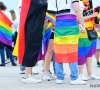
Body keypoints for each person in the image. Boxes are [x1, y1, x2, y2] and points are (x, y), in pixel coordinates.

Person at [48, 0, 86, 85]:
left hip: (58, 24)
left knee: (58, 49)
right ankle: (74, 77)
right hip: (70, 23)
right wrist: (83, 24)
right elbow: (77, 9)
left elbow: (51, 12)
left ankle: (59, 77)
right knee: (72, 50)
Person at [17, 0, 47, 83]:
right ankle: (27, 75)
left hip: (34, 24)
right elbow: (41, 4)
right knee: (31, 48)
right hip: (32, 25)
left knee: (32, 48)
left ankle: (29, 73)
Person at [78, 0, 100, 81]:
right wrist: (92, 15)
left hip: (92, 30)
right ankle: (80, 74)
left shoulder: (93, 2)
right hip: (83, 30)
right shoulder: (81, 3)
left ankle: (90, 73)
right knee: (82, 53)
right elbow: (78, 17)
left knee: (90, 54)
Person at [0, 2, 17, 66]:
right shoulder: (8, 13)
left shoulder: (1, 14)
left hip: (1, 33)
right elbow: (11, 22)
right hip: (9, 32)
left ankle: (3, 62)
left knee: (1, 48)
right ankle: (13, 61)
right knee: (9, 47)